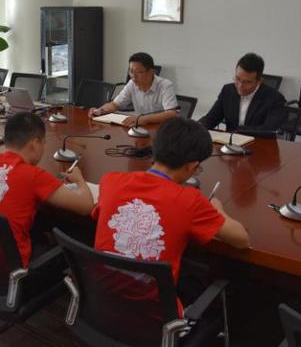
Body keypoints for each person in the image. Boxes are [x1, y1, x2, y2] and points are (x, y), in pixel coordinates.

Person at [92, 117, 250, 304]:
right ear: (192, 166)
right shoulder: (190, 200)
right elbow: (242, 240)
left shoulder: (110, 181)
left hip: (100, 300)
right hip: (154, 314)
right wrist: (218, 209)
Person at [0, 112, 95, 267]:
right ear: (35, 143)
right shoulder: (33, 175)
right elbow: (86, 206)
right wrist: (79, 180)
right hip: (10, 267)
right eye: (44, 143)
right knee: (78, 239)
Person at [198, 52, 287, 137]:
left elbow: (269, 130)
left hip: (259, 143)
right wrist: (195, 127)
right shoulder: (228, 90)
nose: (240, 86)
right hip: (230, 143)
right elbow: (211, 119)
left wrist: (238, 130)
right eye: (237, 79)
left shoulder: (274, 98)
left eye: (247, 82)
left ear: (259, 81)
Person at [89, 52, 178, 127]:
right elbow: (115, 104)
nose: (133, 76)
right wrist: (100, 110)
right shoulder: (132, 84)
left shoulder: (165, 85)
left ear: (151, 72)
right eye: (131, 71)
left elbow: (171, 113)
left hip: (162, 129)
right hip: (141, 127)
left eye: (139, 72)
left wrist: (143, 119)